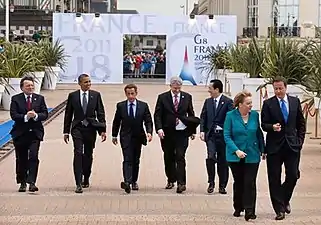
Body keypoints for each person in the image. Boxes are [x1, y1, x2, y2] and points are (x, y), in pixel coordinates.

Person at [261, 76, 305, 220]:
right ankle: (279, 209)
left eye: (280, 88)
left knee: (293, 175)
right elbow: (264, 124)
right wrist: (271, 127)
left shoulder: (294, 101)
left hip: (292, 146)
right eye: (276, 89)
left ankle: (285, 199)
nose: (278, 91)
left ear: (286, 87)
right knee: (274, 178)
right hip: (274, 147)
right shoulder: (268, 104)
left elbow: (301, 124)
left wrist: (299, 141)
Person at [223, 90, 265, 221]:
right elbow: (227, 135)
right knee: (239, 181)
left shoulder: (254, 116)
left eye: (251, 103)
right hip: (235, 155)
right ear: (240, 104)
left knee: (250, 182)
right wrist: (236, 150)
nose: (251, 105)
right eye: (248, 103)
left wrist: (263, 149)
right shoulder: (230, 115)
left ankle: (250, 210)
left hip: (252, 154)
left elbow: (258, 133)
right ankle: (238, 206)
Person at [154, 76, 200, 193]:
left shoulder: (187, 97)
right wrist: (159, 128)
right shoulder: (163, 97)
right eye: (175, 88)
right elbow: (158, 114)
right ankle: (171, 179)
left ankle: (181, 183)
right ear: (170, 86)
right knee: (169, 156)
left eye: (179, 88)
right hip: (167, 132)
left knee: (180, 156)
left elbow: (191, 114)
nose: (177, 91)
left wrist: (192, 130)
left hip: (182, 132)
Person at [63, 74, 107, 194]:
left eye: (89, 82)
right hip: (77, 128)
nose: (88, 84)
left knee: (88, 154)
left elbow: (101, 113)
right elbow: (68, 114)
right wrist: (66, 131)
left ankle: (86, 177)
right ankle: (78, 183)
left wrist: (103, 130)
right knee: (78, 152)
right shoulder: (73, 96)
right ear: (80, 83)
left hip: (91, 128)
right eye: (86, 82)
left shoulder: (96, 95)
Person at [111, 84, 153, 193]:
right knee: (127, 159)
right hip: (126, 137)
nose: (130, 96)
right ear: (125, 94)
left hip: (138, 136)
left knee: (136, 159)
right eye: (128, 94)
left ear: (136, 93)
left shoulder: (143, 106)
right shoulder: (121, 106)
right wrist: (114, 135)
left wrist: (149, 132)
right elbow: (116, 121)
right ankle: (127, 182)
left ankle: (134, 181)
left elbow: (148, 120)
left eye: (132, 94)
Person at [10, 76, 48, 192]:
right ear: (22, 88)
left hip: (35, 133)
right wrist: (26, 117)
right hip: (20, 133)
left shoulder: (39, 98)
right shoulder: (16, 99)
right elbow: (14, 115)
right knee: (21, 159)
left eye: (32, 85)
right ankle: (22, 182)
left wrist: (36, 116)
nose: (30, 87)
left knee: (33, 157)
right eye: (28, 86)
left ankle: (32, 182)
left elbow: (45, 114)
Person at [200, 79, 233, 194]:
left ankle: (222, 185)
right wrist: (202, 130)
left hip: (223, 136)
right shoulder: (208, 102)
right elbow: (203, 117)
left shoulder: (228, 102)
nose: (209, 90)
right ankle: (211, 182)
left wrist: (225, 128)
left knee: (223, 161)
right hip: (211, 135)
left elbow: (231, 118)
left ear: (217, 89)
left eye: (210, 88)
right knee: (210, 157)